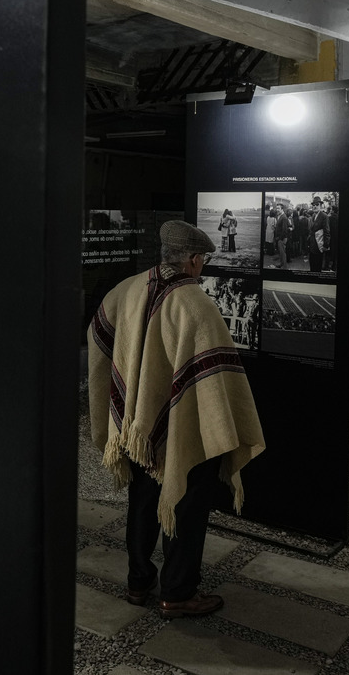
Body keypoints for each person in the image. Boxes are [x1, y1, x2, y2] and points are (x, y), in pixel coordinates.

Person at [87, 220, 264, 618]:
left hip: (136, 425)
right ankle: (178, 592)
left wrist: (125, 391)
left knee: (142, 498)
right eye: (204, 261)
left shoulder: (129, 288)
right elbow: (213, 378)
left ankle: (138, 582)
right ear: (194, 260)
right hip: (184, 423)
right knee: (187, 503)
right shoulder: (195, 303)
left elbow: (97, 332)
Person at [308, 196, 328, 272]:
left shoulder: (324, 216)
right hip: (312, 245)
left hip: (319, 246)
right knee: (312, 266)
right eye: (313, 205)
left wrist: (325, 246)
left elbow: (327, 232)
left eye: (317, 204)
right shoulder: (313, 215)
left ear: (321, 205)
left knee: (317, 267)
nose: (315, 206)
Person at [273, 203, 290, 268]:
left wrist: (279, 238)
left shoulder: (284, 217)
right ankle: (281, 264)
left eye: (278, 208)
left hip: (282, 238)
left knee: (282, 253)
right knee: (281, 253)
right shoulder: (280, 216)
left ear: (282, 209)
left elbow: (284, 230)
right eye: (276, 208)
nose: (277, 210)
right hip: (280, 238)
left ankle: (284, 267)